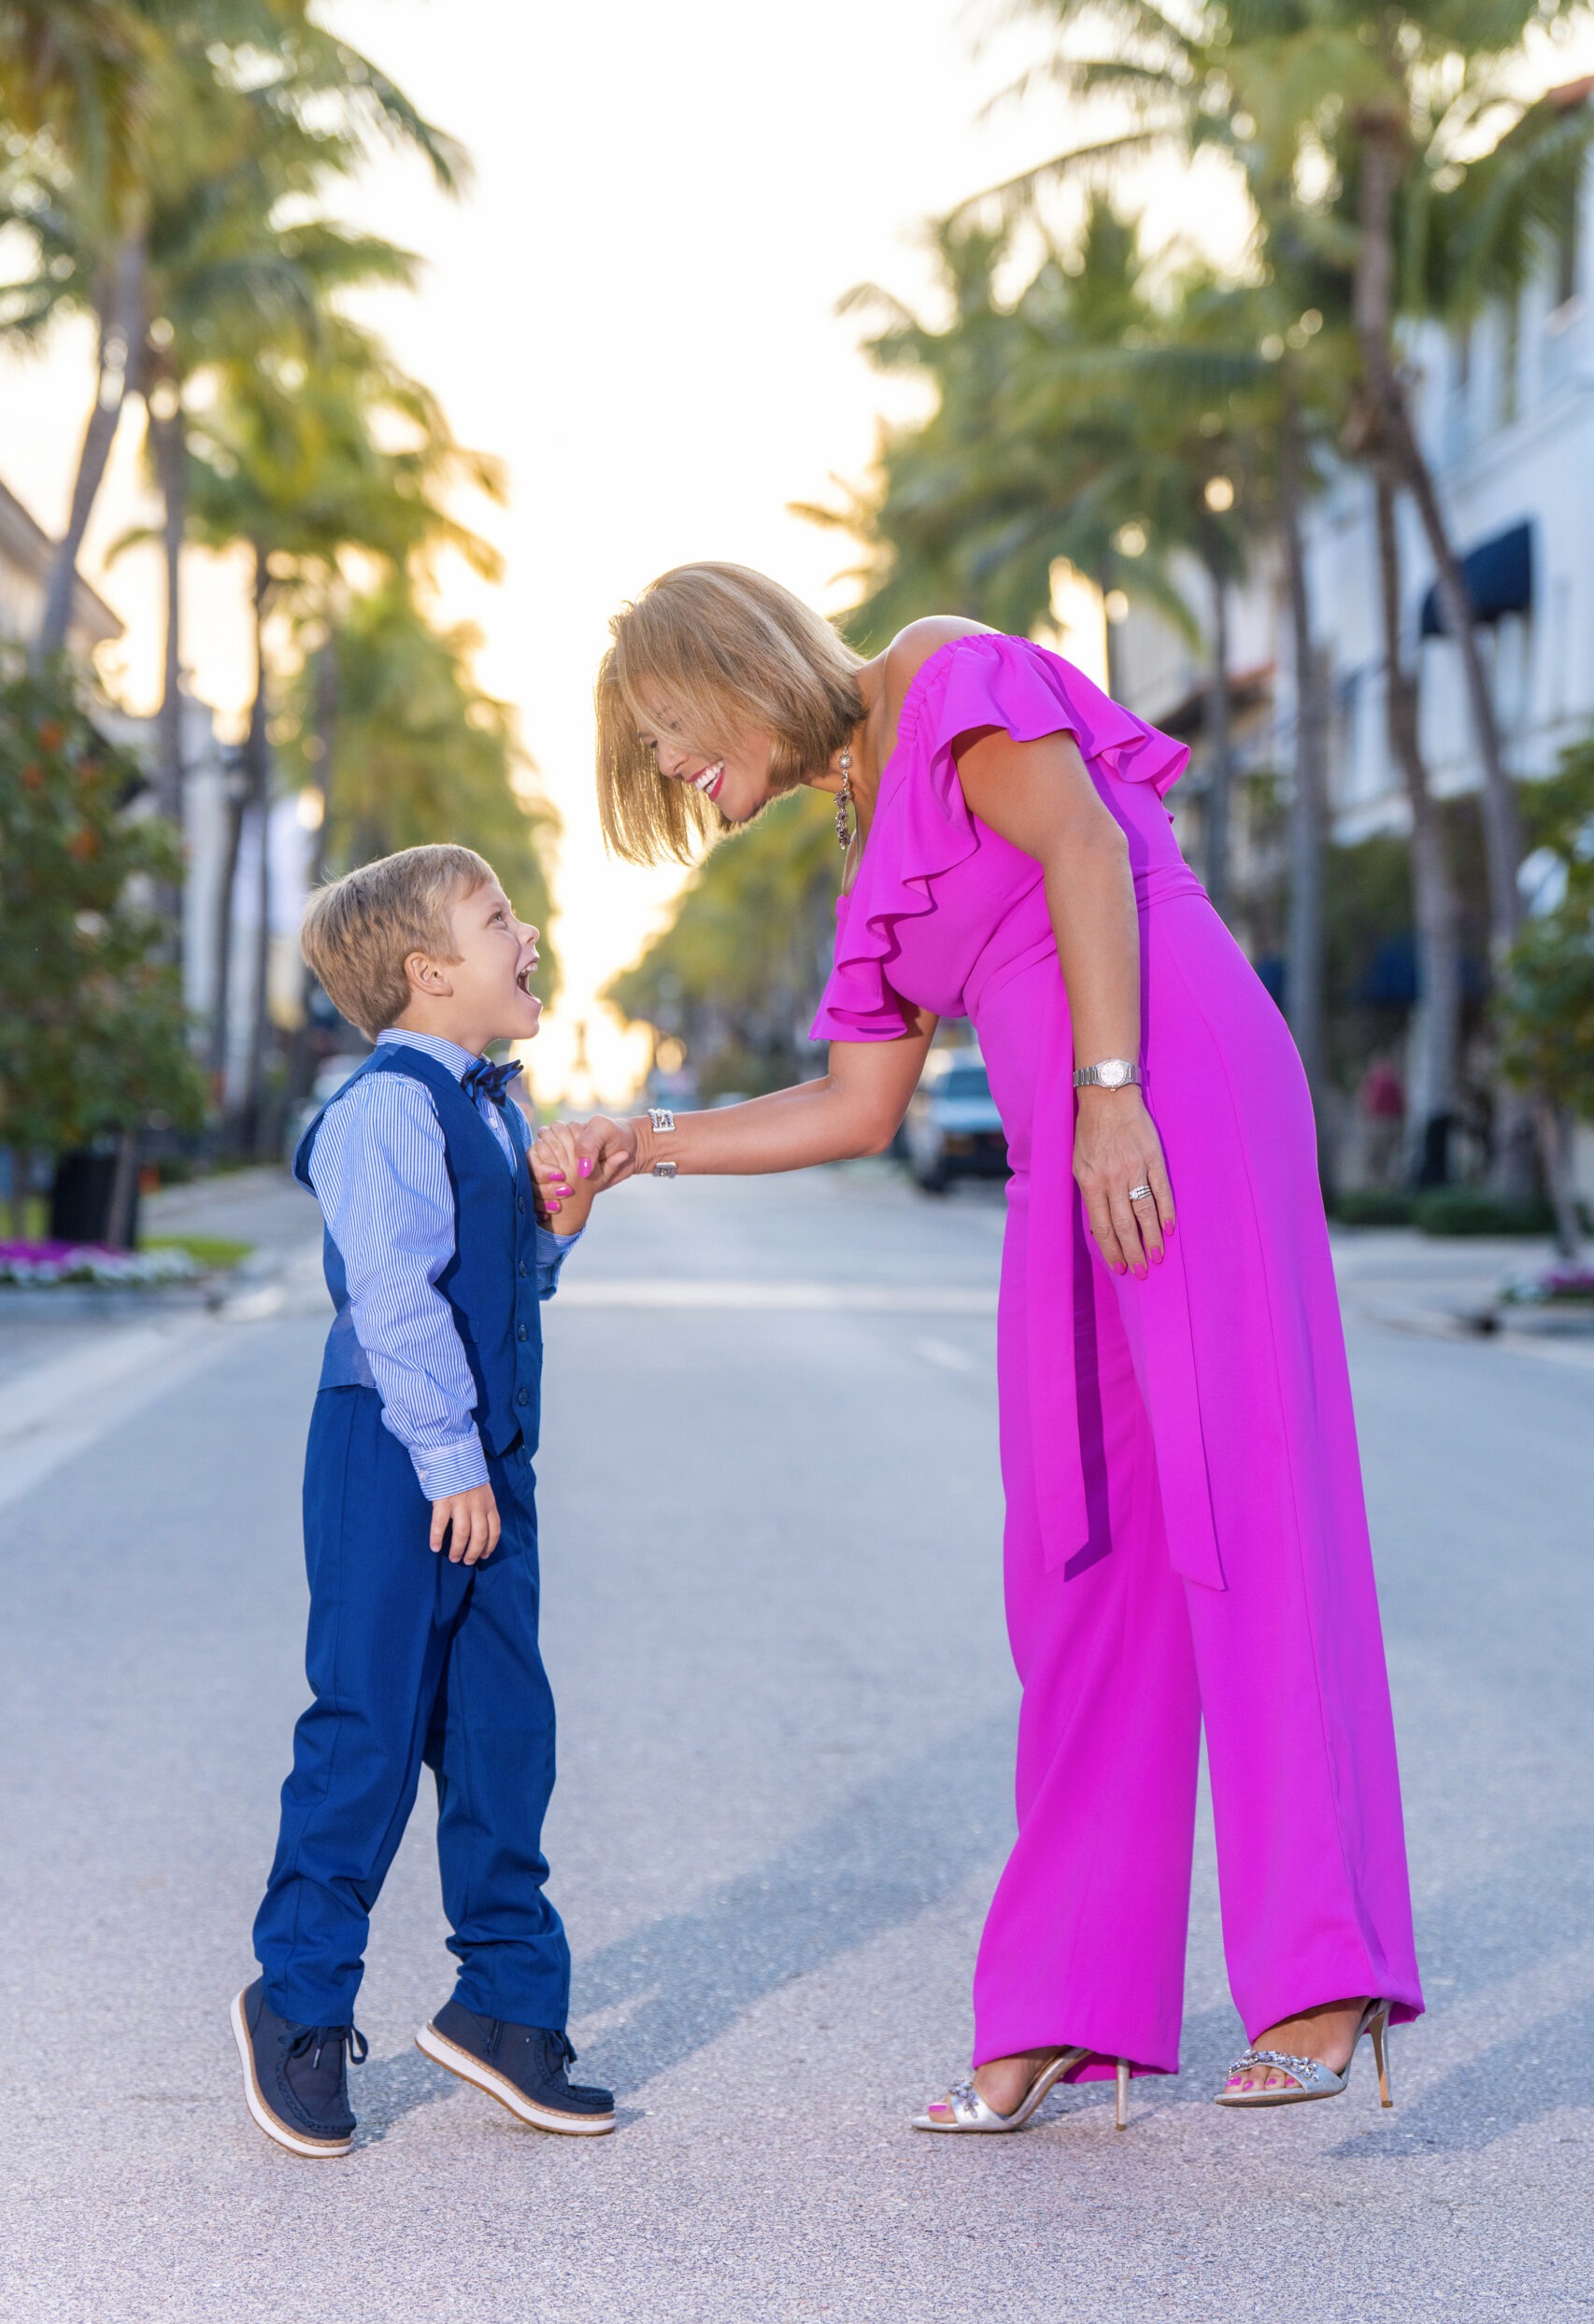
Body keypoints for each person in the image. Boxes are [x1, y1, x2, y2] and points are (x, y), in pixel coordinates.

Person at [535, 563, 1423, 2133]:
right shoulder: (861, 834)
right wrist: (640, 1141)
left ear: (738, 666)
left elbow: (1083, 846)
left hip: (1171, 1090)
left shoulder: (944, 675)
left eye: (670, 727)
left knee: (1239, 1510)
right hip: (1056, 1153)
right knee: (1077, 1563)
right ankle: (1069, 2003)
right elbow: (854, 1107)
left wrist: (1109, 1094)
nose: (670, 765)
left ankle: (1322, 1968)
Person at [233, 844, 614, 2157]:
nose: (527, 933)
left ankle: (506, 2003)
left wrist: (555, 1223)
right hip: (396, 1459)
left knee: (506, 1733)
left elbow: (499, 1287)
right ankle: (298, 2001)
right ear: (428, 973)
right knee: (370, 1730)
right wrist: (448, 1458)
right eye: (497, 917)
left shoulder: (492, 1106)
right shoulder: (387, 1108)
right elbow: (392, 1296)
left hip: (485, 1463)